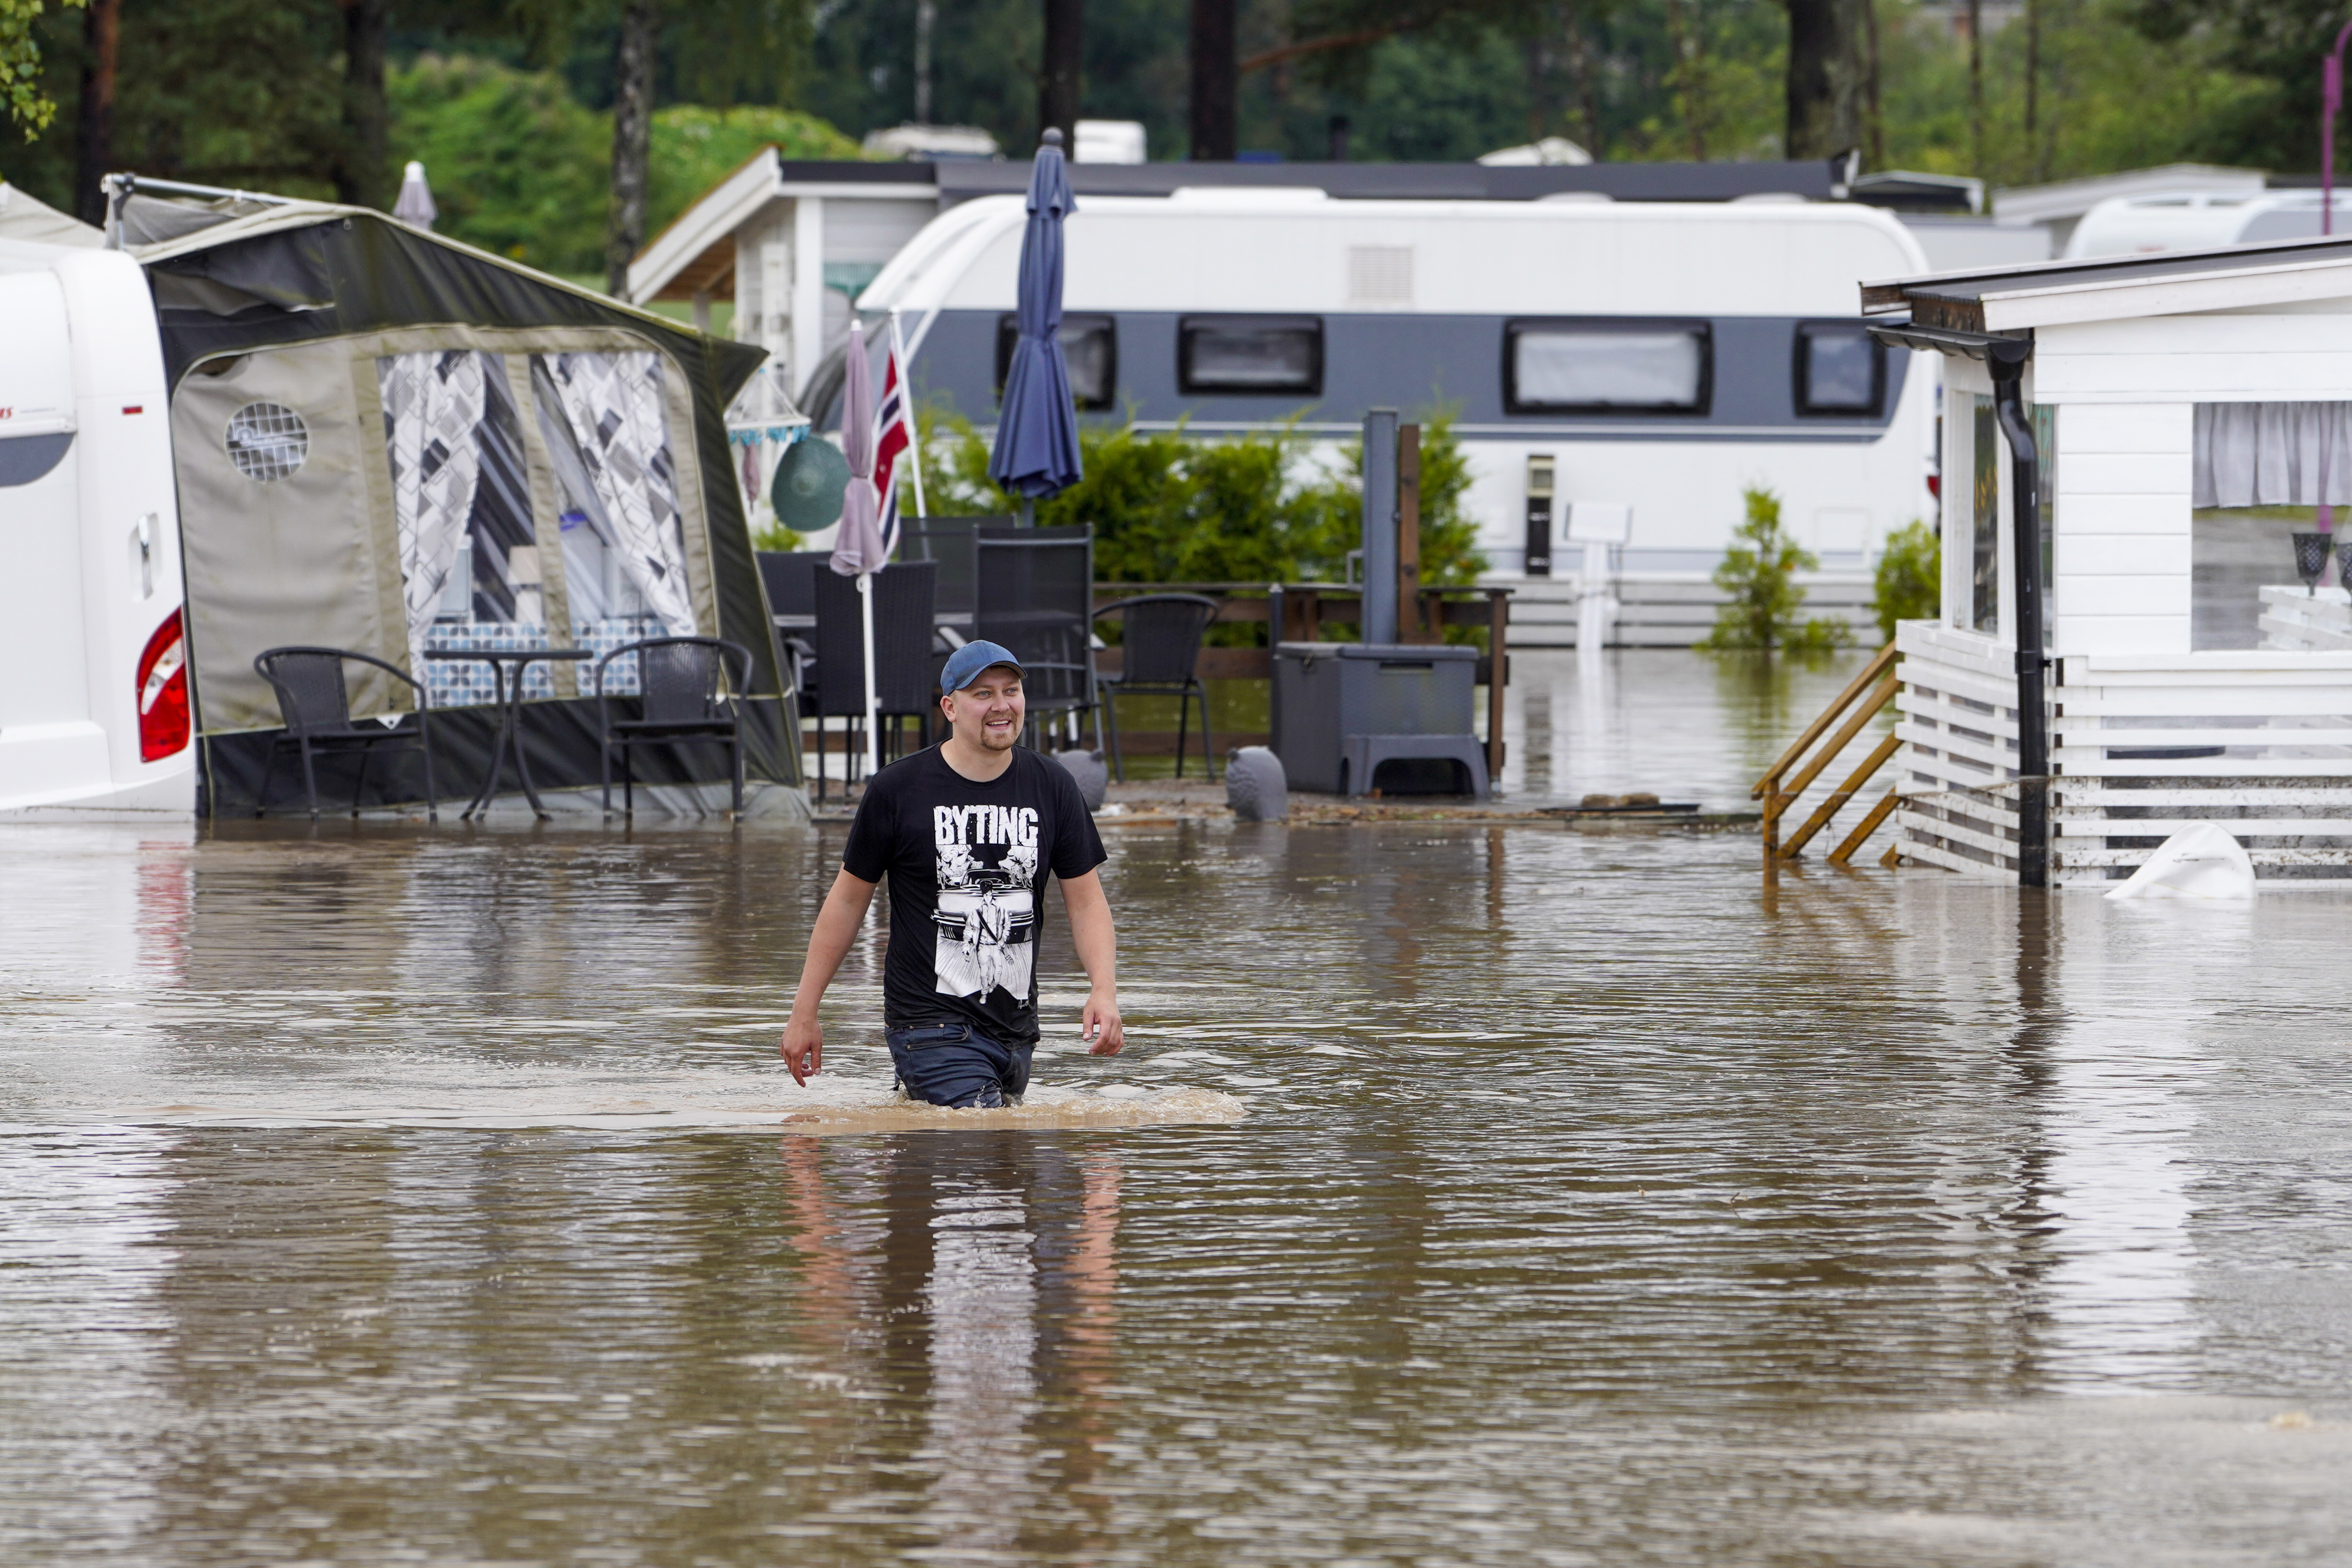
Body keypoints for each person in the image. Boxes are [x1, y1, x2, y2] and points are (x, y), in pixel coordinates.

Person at [779, 640, 1122, 1107]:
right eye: (982, 694)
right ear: (950, 707)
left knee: (994, 1165)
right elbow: (846, 901)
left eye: (1011, 690)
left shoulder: (1052, 786)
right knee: (976, 1139)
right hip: (927, 1024)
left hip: (1015, 1031)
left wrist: (1103, 991)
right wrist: (804, 1013)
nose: (1001, 705)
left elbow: (1085, 900)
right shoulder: (897, 790)